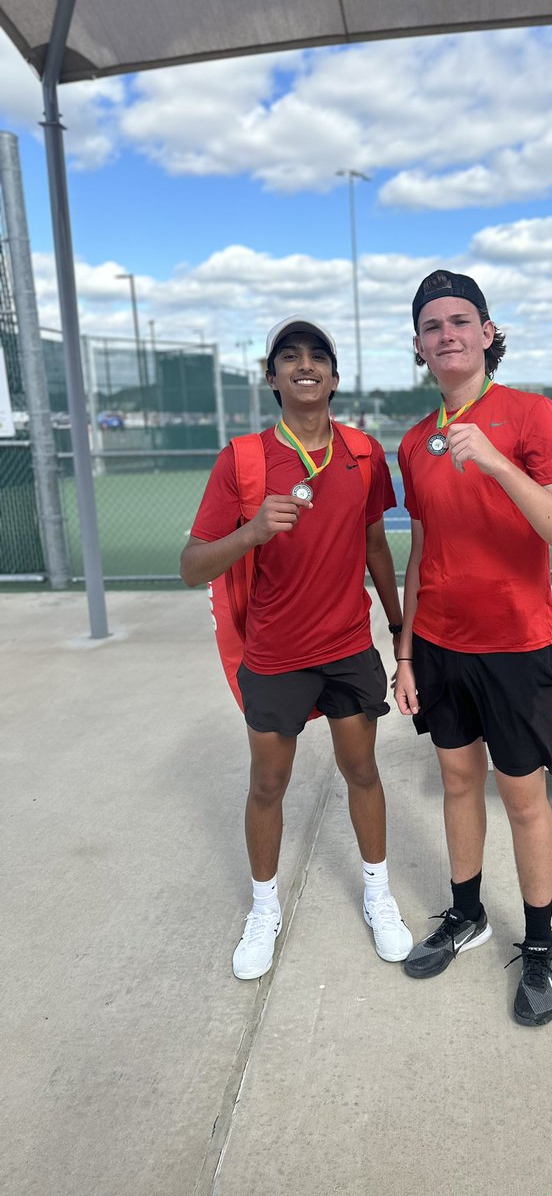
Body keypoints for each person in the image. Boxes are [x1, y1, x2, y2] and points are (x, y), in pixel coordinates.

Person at [180, 316, 412, 980]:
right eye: (289, 356)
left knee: (362, 771)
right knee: (268, 783)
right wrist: (250, 532)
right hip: (275, 654)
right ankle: (263, 907)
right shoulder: (243, 459)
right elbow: (193, 565)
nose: (304, 364)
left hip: (347, 648)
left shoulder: (364, 453)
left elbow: (374, 546)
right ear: (272, 377)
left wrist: (397, 625)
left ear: (334, 377)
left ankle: (377, 892)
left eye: (318, 355)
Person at [394, 271, 552, 1026]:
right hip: (440, 646)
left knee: (522, 798)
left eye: (460, 320)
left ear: (486, 333)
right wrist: (408, 654)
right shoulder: (415, 442)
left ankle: (540, 945)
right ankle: (467, 913)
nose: (447, 333)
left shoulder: (531, 416)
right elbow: (418, 552)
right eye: (432, 324)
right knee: (454, 783)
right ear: (418, 345)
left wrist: (499, 463)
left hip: (514, 645)